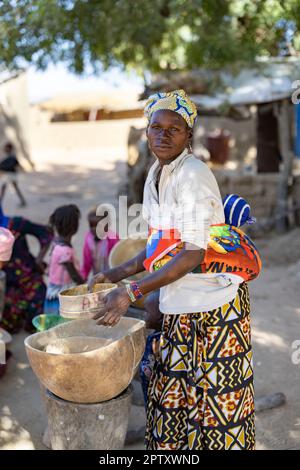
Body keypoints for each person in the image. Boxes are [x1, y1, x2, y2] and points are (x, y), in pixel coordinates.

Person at [90, 90, 259, 450]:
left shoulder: (192, 175)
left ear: (188, 136)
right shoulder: (157, 173)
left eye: (174, 128)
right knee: (172, 403)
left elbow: (191, 255)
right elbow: (158, 247)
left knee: (215, 410)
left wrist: (132, 293)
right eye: (156, 127)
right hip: (179, 303)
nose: (163, 135)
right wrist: (114, 274)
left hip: (213, 308)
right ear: (146, 132)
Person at [0, 204, 52, 333]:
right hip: (8, 285)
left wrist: (39, 260)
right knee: (8, 325)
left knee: (38, 324)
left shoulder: (16, 224)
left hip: (30, 279)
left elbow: (46, 232)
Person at [44, 204, 84, 315]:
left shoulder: (56, 244)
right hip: (62, 295)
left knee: (52, 324)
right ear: (75, 227)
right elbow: (74, 275)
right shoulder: (65, 251)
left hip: (52, 290)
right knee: (62, 324)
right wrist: (85, 284)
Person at [80, 206, 119, 281]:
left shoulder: (112, 238)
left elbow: (117, 258)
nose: (94, 229)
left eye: (98, 226)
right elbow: (86, 261)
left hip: (113, 275)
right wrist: (83, 277)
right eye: (91, 226)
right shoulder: (89, 239)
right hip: (97, 275)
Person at [0, 143, 27, 207]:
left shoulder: (12, 157)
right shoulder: (7, 156)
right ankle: (23, 201)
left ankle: (23, 201)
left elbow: (13, 165)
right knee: (5, 188)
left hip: (11, 175)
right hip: (8, 175)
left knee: (6, 188)